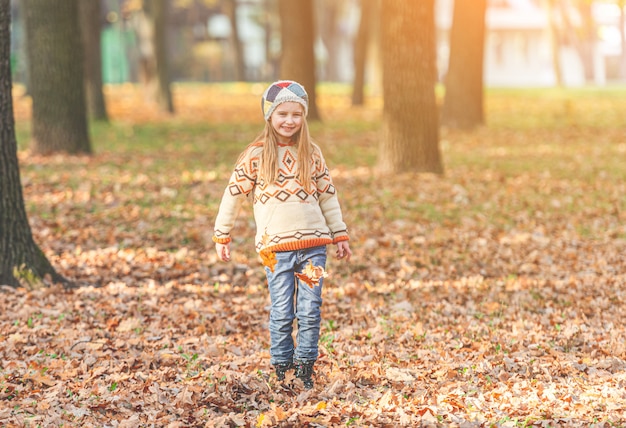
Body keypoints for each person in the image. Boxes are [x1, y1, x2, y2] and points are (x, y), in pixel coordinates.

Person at [212, 80, 352, 389]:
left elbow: (328, 195)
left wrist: (339, 234)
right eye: (282, 114)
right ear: (269, 116)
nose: (289, 121)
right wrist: (223, 234)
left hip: (314, 246)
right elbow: (233, 195)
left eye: (297, 114)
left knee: (310, 309)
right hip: (274, 250)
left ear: (304, 117)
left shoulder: (311, 153)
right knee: (282, 310)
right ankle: (282, 367)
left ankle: (305, 367)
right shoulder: (255, 155)